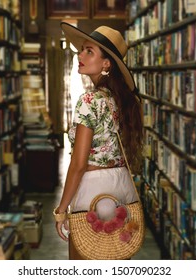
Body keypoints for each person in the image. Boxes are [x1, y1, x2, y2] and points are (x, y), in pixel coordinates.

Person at [53, 22, 144, 260]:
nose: (80, 55)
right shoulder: (124, 100)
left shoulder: (90, 100)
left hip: (92, 194)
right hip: (121, 189)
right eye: (81, 50)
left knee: (86, 257)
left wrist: (61, 210)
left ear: (106, 64)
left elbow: (78, 164)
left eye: (89, 51)